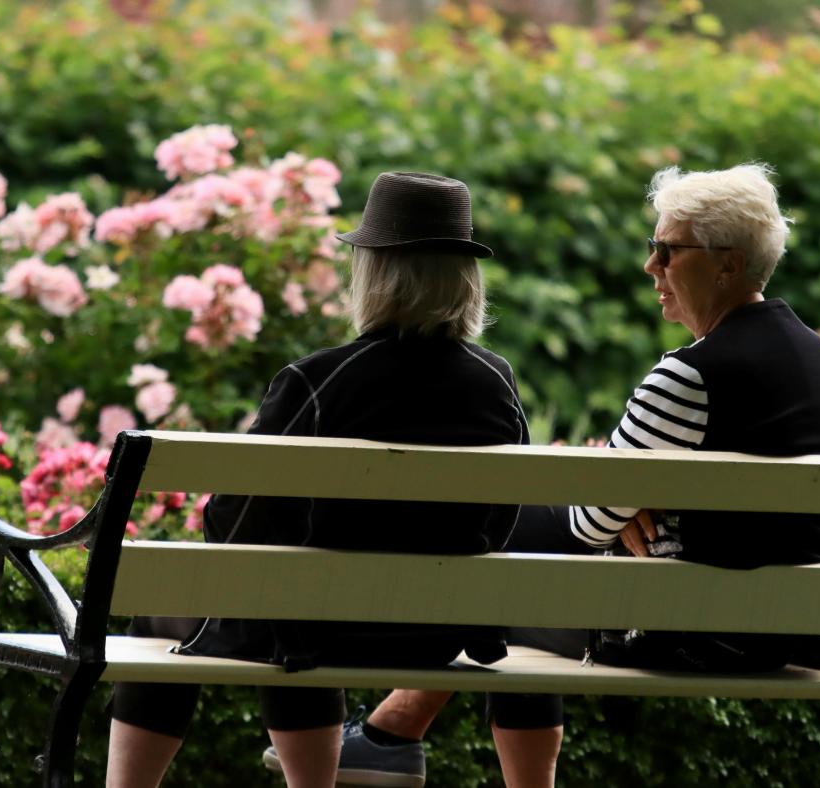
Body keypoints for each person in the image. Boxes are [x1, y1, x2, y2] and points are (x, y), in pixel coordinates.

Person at [273, 162, 820, 787]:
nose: (650, 266)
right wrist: (632, 506)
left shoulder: (690, 375)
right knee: (515, 559)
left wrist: (623, 508)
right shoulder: (811, 353)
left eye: (666, 250)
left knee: (509, 556)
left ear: (727, 265)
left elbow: (590, 522)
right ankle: (393, 732)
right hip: (793, 623)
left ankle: (393, 734)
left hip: (704, 630)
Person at [105, 171, 533, 788]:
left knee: (259, 601)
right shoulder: (496, 382)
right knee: (296, 597)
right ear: (465, 279)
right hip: (436, 635)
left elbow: (234, 522)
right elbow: (500, 521)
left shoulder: (318, 379)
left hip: (314, 628)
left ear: (373, 273)